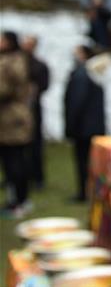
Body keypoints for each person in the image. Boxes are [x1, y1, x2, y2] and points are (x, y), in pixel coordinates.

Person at [64, 44, 106, 202]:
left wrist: (70, 125)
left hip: (83, 127)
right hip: (93, 125)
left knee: (83, 161)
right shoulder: (94, 72)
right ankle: (92, 191)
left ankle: (85, 192)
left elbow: (76, 102)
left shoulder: (83, 73)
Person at [0, 31, 33, 218]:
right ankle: (15, 199)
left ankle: (20, 201)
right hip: (7, 121)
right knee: (10, 162)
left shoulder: (14, 61)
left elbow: (4, 88)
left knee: (15, 162)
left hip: (13, 120)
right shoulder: (11, 60)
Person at [21, 35, 50, 190]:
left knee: (35, 144)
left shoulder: (39, 65)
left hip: (33, 108)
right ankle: (22, 176)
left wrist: (33, 92)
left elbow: (44, 85)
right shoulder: (19, 63)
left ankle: (38, 178)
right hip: (19, 109)